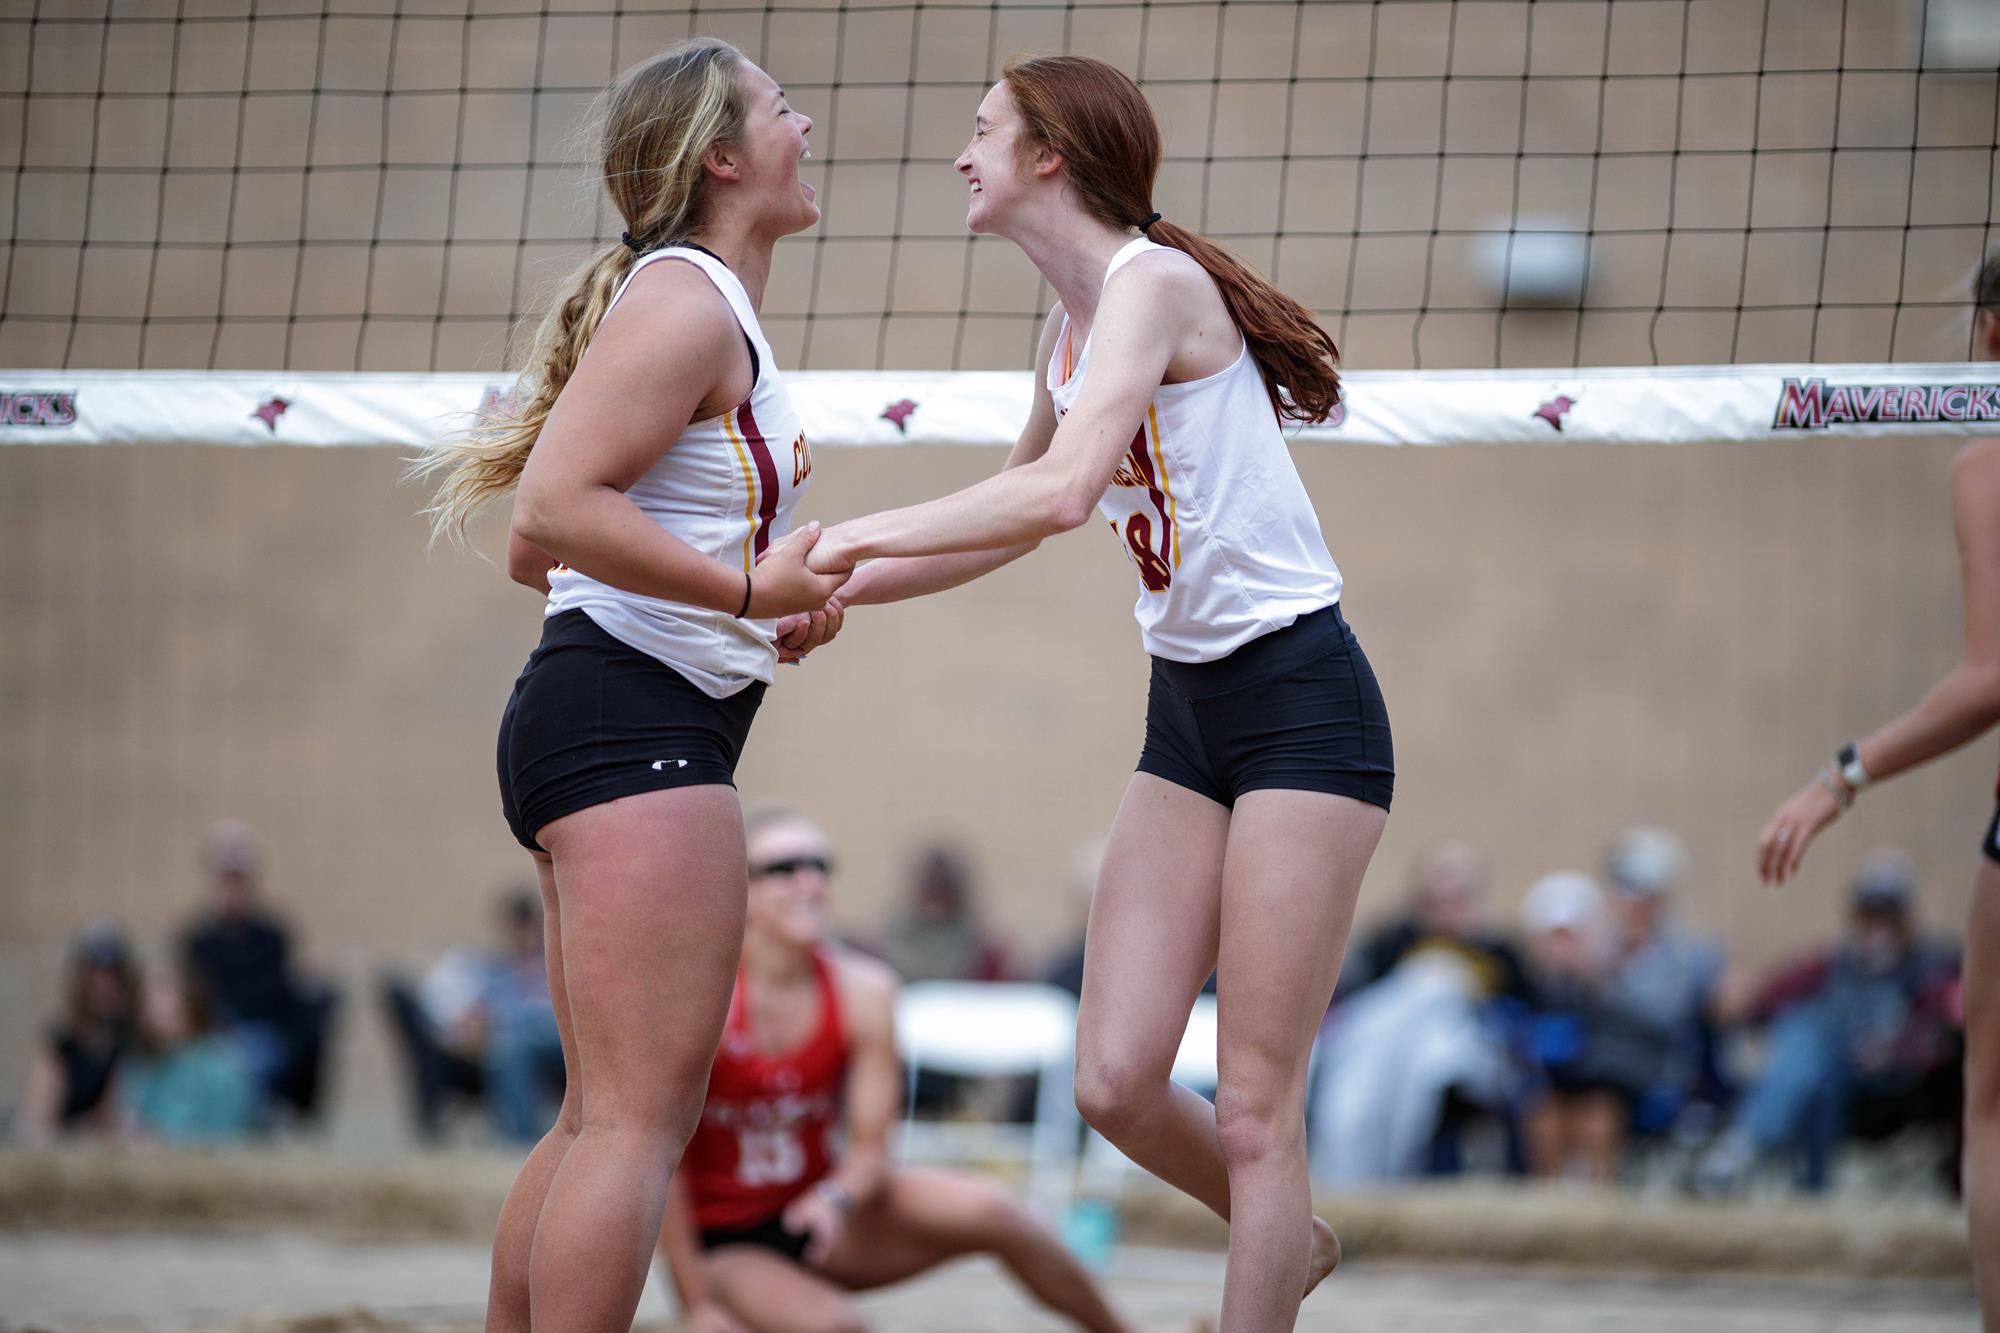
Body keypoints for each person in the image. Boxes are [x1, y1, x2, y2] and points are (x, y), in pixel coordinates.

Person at [810, 56, 1388, 1329]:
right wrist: (834, 594)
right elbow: (1009, 525)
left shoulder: (1155, 286)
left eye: (980, 132)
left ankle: (1263, 1268)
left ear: (1049, 155)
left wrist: (844, 532)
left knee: (1251, 1104)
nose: (960, 155)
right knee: (1114, 1079)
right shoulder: (1065, 330)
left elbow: (1064, 491)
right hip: (1185, 710)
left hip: (1302, 697)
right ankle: (1291, 1240)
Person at [412, 37, 849, 1333]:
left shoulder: (689, 302)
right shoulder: (690, 298)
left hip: (603, 714)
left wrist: (753, 603)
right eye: (782, 106)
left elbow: (540, 550)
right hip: (633, 728)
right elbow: (548, 508)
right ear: (722, 153)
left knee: (600, 1117)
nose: (806, 122)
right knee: (640, 1126)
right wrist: (740, 594)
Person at [1755, 253, 2000, 1327]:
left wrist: (1838, 777)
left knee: (1989, 1109)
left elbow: (1989, 676)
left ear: (1987, 334)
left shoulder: (1983, 465)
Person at [655, 808, 1143, 1333]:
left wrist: (834, 1197)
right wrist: (697, 1305)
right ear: (739, 890)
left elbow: (869, 1148)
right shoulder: (703, 1003)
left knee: (1000, 1212)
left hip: (823, 1207)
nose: (810, 881)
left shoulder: (864, 991)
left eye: (820, 865)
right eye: (784, 868)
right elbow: (661, 1167)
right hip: (730, 1237)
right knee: (835, 1325)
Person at [1696, 853, 1961, 1194]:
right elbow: (1764, 1001)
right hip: (1833, 1076)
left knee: (1807, 1033)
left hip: (1895, 1087)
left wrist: (1893, 1051)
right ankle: (1808, 1193)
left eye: (1887, 915)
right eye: (1870, 914)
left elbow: (1943, 1029)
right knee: (1807, 1046)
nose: (1878, 926)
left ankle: (1745, 1146)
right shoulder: (1832, 963)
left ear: (1904, 919)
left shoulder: (1932, 967)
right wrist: (1736, 999)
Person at [1310, 839, 1527, 1183]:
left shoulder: (1499, 950)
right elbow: (1369, 1010)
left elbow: (1521, 1013)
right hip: (1389, 1054)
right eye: (1436, 900)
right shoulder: (1392, 941)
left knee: (1439, 1061)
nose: (1447, 910)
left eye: (1457, 899)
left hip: (1464, 1056)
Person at [1515, 872, 1675, 1183]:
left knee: (1598, 1115)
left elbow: (1647, 1026)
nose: (1563, 947)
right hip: (1553, 1083)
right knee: (1544, 1117)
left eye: (1570, 936)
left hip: (1607, 1080)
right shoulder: (1531, 985)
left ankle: (1598, 1202)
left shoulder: (1613, 978)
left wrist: (1594, 983)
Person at [179, 818, 334, 1123]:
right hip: (212, 1035)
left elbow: (273, 994)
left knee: (253, 1057)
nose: (231, 889)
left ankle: (250, 1120)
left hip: (260, 1032)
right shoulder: (197, 940)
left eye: (237, 880)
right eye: (225, 879)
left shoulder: (272, 936)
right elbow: (195, 998)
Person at [1598, 826, 1725, 1131]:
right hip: (1600, 1064)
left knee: (1600, 1107)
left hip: (1654, 1069)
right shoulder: (1602, 945)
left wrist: (1606, 982)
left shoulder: (1685, 953)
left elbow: (1665, 1016)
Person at [18, 919, 140, 1143]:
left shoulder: (128, 1041)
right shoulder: (60, 1043)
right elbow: (39, 1120)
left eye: (111, 977)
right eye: (95, 978)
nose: (103, 987)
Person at [121, 968, 258, 1147]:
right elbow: (125, 1117)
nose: (156, 1014)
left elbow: (227, 1135)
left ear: (191, 1008)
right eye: (150, 1005)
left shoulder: (220, 1066)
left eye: (168, 1007)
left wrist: (158, 1140)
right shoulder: (138, 1063)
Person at [879, 843, 1012, 985]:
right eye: (931, 894)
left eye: (943, 895)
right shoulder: (894, 941)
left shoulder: (983, 952)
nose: (936, 908)